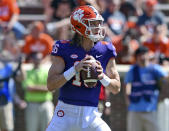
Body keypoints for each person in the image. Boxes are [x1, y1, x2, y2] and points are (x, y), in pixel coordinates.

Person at [46, 5, 121, 131]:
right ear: (79, 26)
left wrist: (102, 77)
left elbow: (116, 88)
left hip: (91, 114)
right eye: (92, 24)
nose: (98, 28)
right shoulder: (64, 48)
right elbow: (51, 85)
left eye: (98, 23)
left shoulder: (105, 49)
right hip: (65, 112)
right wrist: (74, 69)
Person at [124, 46, 169, 131]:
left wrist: (163, 95)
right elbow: (127, 84)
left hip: (151, 109)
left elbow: (166, 79)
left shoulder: (155, 69)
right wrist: (128, 100)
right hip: (134, 109)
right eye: (140, 55)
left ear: (148, 55)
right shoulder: (132, 70)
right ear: (136, 57)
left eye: (144, 54)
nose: (142, 57)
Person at [22, 52, 54, 131]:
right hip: (32, 104)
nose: (38, 61)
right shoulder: (27, 73)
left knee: (48, 129)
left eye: (40, 59)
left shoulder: (47, 72)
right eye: (36, 59)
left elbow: (52, 88)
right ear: (32, 60)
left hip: (46, 103)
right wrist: (45, 88)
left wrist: (34, 87)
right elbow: (28, 88)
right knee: (31, 129)